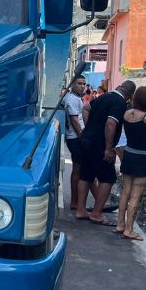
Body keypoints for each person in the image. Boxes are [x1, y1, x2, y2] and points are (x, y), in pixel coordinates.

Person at [75, 80, 136, 226]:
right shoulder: (120, 102)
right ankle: (96, 214)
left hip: (87, 140)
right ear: (130, 95)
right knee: (108, 178)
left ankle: (81, 209)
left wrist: (90, 127)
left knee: (86, 175)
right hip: (100, 145)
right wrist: (108, 149)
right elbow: (111, 123)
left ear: (119, 86)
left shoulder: (104, 96)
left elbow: (85, 108)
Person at [117, 87, 146, 240]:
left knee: (125, 192)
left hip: (129, 154)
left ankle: (120, 224)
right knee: (136, 195)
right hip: (143, 158)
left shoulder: (126, 114)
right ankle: (129, 229)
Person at [63, 75, 86, 211]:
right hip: (75, 138)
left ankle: (77, 201)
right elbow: (75, 120)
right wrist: (82, 137)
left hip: (76, 137)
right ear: (72, 85)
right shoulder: (72, 99)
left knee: (80, 169)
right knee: (77, 170)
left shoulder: (76, 98)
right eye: (79, 83)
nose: (82, 86)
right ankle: (74, 201)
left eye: (84, 84)